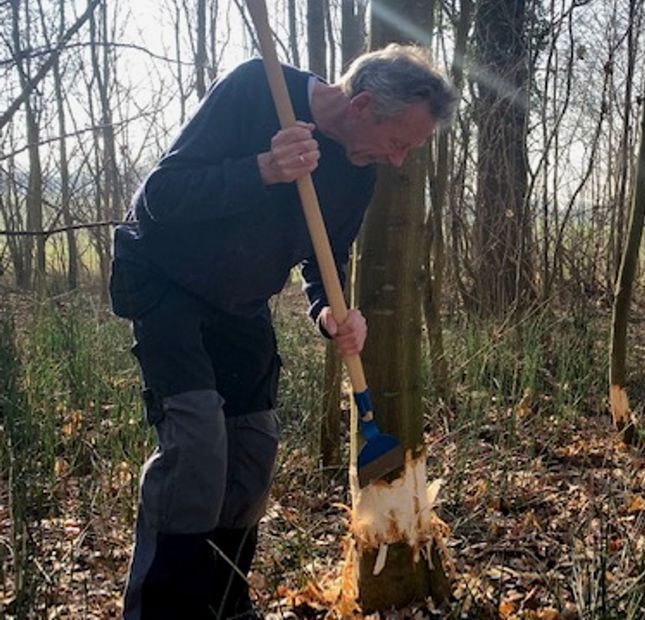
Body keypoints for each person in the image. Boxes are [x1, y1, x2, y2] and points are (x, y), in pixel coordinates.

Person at [109, 44, 456, 619]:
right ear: (364, 104)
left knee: (253, 450)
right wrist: (262, 171)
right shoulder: (256, 91)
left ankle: (223, 601)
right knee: (197, 444)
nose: (398, 160)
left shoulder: (357, 172)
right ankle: (163, 609)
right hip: (165, 283)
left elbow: (326, 259)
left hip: (239, 305)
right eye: (400, 142)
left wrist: (331, 312)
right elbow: (156, 202)